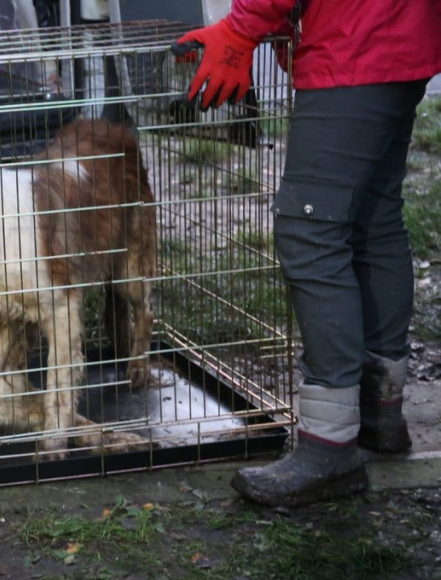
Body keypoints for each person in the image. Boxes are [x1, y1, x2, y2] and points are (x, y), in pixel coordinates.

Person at [175, 0, 441, 507]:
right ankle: (378, 411)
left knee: (310, 231)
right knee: (372, 220)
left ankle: (329, 445)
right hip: (396, 28)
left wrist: (243, 25)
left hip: (356, 36)